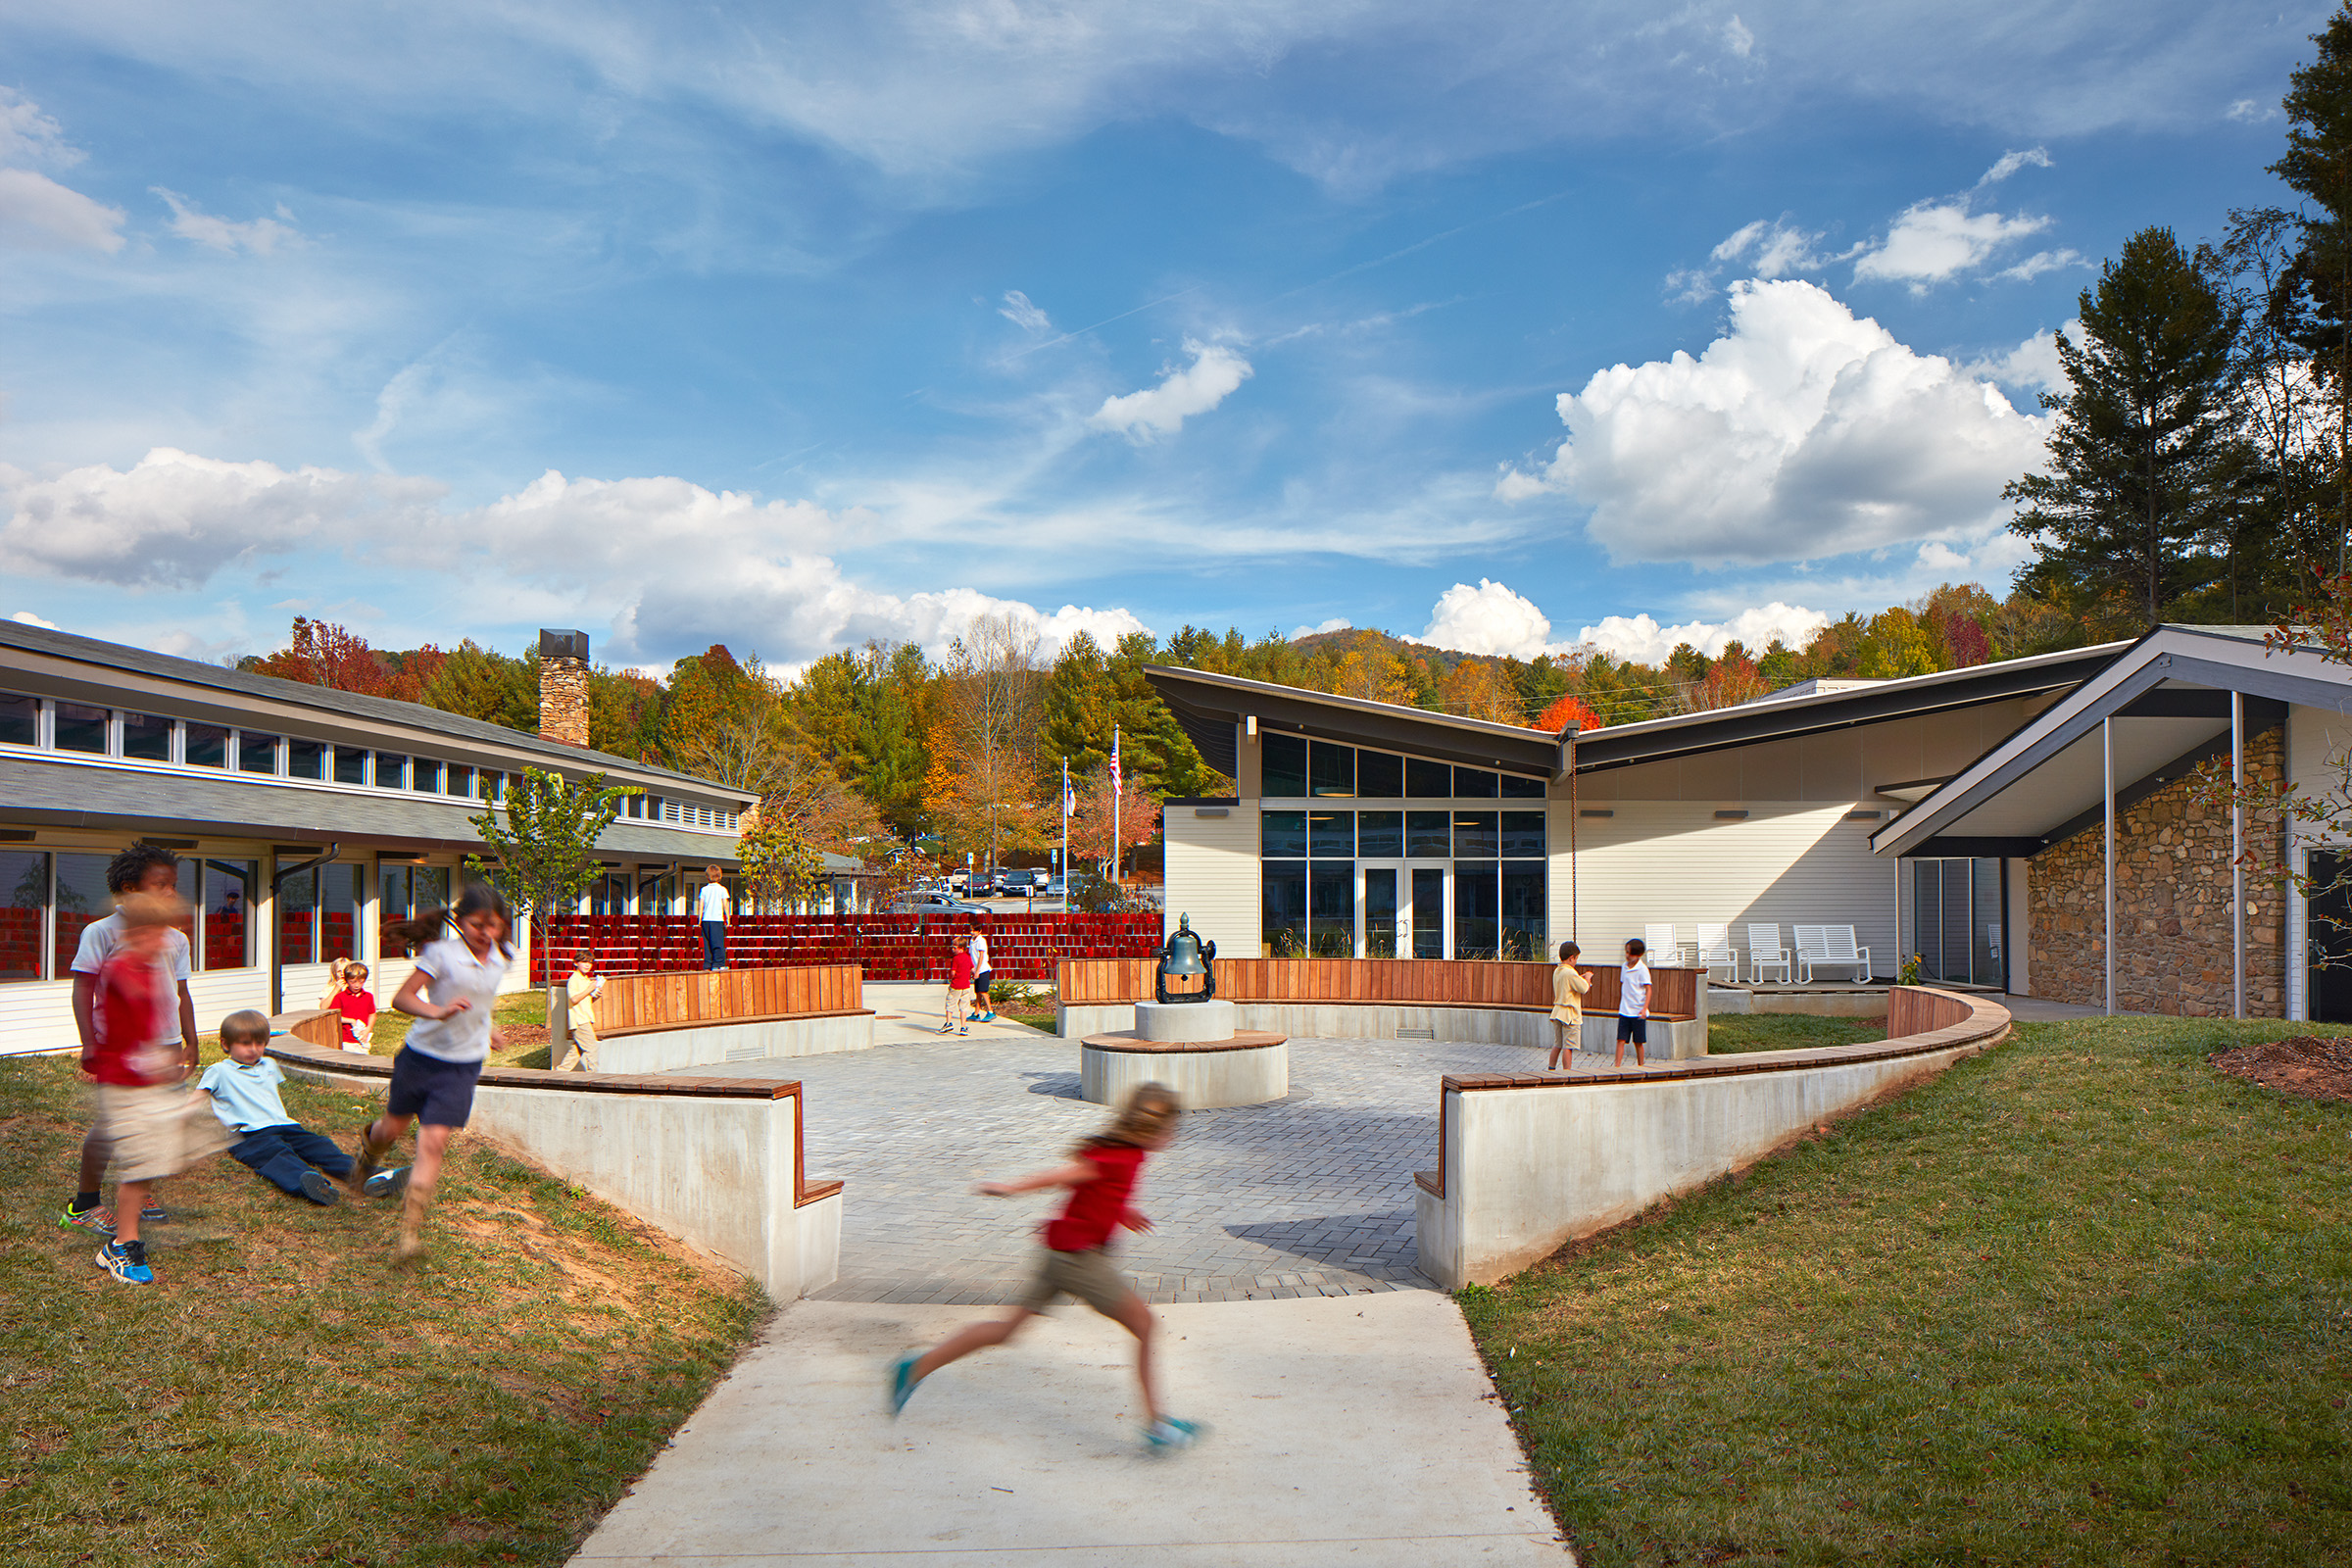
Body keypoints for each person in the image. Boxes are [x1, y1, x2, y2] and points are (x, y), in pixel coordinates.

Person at [888, 1082, 1197, 1450]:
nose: (1173, 1135)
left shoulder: (1124, 1154)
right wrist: (1012, 1188)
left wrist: (1122, 1210)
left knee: (1006, 1331)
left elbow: (1097, 1187)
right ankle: (1157, 1426)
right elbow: (1065, 1175)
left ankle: (915, 1368)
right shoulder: (1120, 1156)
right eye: (1172, 1128)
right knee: (1145, 1325)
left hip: (1057, 1253)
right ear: (1154, 1128)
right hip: (1078, 1259)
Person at [349, 883, 515, 1261]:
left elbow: (480, 1002)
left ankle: (409, 1235)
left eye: (493, 926)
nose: (485, 933)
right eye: (476, 925)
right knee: (392, 1129)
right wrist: (438, 1011)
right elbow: (402, 998)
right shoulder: (442, 954)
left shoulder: (503, 959)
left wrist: (486, 1028)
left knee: (433, 1142)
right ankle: (367, 1156)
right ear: (460, 922)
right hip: (421, 1056)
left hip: (462, 1066)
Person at [87, 892, 229, 1284]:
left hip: (147, 1079)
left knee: (153, 1160)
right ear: (134, 933)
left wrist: (165, 1060)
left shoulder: (148, 969)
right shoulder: (121, 968)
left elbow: (149, 1025)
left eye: (169, 932)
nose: (164, 941)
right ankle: (121, 1246)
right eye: (156, 933)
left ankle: (121, 1240)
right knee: (139, 1162)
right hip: (124, 1084)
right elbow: (121, 1020)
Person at [61, 842, 199, 1239]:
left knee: (158, 1124)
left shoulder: (174, 939)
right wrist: (89, 1043)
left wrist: (190, 1041)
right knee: (111, 1125)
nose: (171, 893)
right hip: (119, 1049)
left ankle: (139, 1192)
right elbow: (82, 989)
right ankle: (85, 1202)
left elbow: (181, 993)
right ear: (129, 888)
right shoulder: (101, 932)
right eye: (162, 885)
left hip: (166, 1049)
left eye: (174, 885)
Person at [200, 1009, 408, 1205]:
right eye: (245, 1044)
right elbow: (198, 1097)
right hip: (248, 1133)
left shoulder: (269, 1064)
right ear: (225, 1045)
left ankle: (372, 1176)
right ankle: (306, 1181)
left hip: (286, 1125)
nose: (254, 1049)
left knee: (322, 1146)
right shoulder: (219, 1070)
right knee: (276, 1153)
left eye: (259, 1043)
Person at [1546, 941, 1590, 1071]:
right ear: (1571, 958)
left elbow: (1569, 983)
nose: (1576, 961)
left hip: (1558, 1011)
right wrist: (1587, 978)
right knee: (1568, 1046)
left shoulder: (1558, 971)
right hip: (1570, 1014)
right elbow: (1584, 988)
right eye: (1576, 958)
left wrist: (1579, 977)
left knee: (1557, 1044)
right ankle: (1567, 1073)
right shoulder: (1571, 973)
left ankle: (1551, 1069)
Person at [557, 955, 605, 1072]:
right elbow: (574, 999)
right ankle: (594, 1077)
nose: (587, 965)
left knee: (577, 1050)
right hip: (579, 1020)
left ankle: (560, 1072)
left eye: (590, 962)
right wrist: (589, 989)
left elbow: (584, 998)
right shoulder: (574, 979)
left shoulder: (585, 979)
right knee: (592, 1048)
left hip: (585, 1018)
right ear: (575, 963)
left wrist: (595, 993)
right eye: (584, 962)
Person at [1617, 937, 1651, 1069]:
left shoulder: (1642, 969)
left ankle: (1641, 1066)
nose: (1627, 956)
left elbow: (1648, 989)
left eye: (1630, 953)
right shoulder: (1624, 967)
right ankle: (1617, 1067)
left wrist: (1644, 1008)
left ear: (1638, 955)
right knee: (1620, 1040)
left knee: (1638, 1042)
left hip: (1638, 1011)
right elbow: (1623, 984)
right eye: (1626, 952)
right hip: (1625, 1010)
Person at [327, 961, 376, 1053]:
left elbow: (372, 1014)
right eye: (352, 982)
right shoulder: (340, 997)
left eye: (361, 981)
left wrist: (368, 1029)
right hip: (346, 1041)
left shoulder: (368, 996)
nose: (357, 985)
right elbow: (333, 1016)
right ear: (346, 980)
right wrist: (351, 1021)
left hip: (362, 1039)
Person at [698, 864, 732, 970]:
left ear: (707, 876)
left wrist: (699, 919)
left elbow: (701, 905)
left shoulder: (704, 890)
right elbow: (725, 904)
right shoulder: (722, 889)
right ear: (719, 876)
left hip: (706, 920)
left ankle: (708, 964)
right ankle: (719, 964)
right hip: (717, 919)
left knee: (707, 943)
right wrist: (728, 917)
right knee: (718, 942)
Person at [938, 935, 974, 1036]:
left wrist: (951, 977)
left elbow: (953, 972)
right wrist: (974, 975)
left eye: (954, 947)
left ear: (961, 949)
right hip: (966, 986)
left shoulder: (956, 958)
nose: (952, 949)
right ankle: (963, 1027)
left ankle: (948, 1023)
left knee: (950, 1004)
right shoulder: (968, 957)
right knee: (964, 1007)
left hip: (955, 985)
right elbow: (972, 969)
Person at [968, 917, 996, 1023]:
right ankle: (976, 1013)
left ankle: (990, 1011)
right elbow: (972, 956)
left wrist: (978, 970)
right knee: (978, 992)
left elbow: (981, 957)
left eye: (974, 930)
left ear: (979, 931)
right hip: (976, 969)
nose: (972, 932)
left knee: (983, 991)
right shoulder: (972, 941)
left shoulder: (981, 941)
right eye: (971, 930)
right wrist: (972, 968)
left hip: (983, 969)